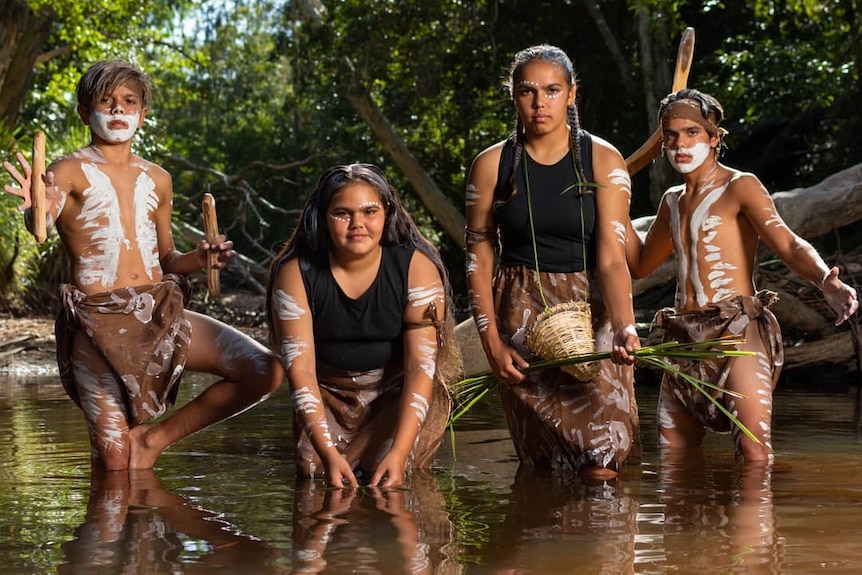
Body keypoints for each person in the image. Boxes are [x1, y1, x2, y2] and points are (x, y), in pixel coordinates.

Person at [2, 59, 283, 471]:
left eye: (129, 101)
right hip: (100, 322)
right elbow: (42, 222)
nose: (118, 109)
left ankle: (154, 438)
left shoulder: (158, 179)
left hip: (159, 313)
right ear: (84, 111)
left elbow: (167, 259)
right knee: (115, 466)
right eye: (106, 100)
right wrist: (36, 205)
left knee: (264, 370)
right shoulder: (67, 170)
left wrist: (201, 258)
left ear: (143, 114)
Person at [626, 88, 859, 463]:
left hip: (735, 335)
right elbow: (639, 265)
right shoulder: (671, 200)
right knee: (674, 466)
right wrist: (614, 203)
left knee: (753, 456)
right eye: (670, 135)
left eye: (692, 133)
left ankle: (755, 523)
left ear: (715, 138)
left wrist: (825, 280)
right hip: (682, 342)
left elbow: (788, 243)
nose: (680, 143)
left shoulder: (740, 186)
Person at [465, 44, 642, 480]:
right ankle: (551, 548)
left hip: (593, 311)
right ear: (513, 95)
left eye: (552, 90)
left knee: (603, 461)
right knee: (547, 467)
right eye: (528, 91)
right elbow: (478, 259)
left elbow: (613, 258)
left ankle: (604, 547)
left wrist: (624, 325)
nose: (540, 102)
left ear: (571, 94)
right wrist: (491, 342)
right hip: (521, 314)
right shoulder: (491, 165)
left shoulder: (602, 159)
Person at [265, 163, 461, 488]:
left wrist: (399, 452)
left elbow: (420, 370)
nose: (358, 224)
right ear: (324, 219)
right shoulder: (296, 273)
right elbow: (300, 371)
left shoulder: (417, 269)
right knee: (316, 481)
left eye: (369, 211)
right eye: (343, 213)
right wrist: (327, 452)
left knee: (395, 483)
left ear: (387, 213)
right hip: (327, 394)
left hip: (398, 394)